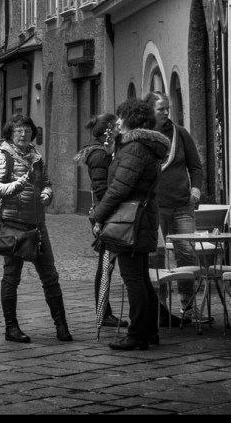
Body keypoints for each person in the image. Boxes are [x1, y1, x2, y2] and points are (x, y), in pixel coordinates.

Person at [0, 113, 73, 344]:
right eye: (18, 131)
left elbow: (46, 182)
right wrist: (19, 184)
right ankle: (11, 328)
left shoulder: (36, 156)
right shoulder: (3, 155)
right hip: (13, 224)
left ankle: (61, 326)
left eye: (27, 130)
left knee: (50, 276)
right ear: (10, 134)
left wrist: (46, 193)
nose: (23, 134)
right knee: (11, 277)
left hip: (37, 224)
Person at [92, 98, 170, 350]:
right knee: (141, 278)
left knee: (133, 279)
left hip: (130, 221)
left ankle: (137, 334)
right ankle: (149, 331)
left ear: (130, 119)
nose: (117, 121)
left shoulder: (134, 148)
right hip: (139, 219)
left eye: (120, 117)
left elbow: (119, 189)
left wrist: (98, 216)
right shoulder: (141, 146)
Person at [144, 91, 204, 325]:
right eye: (161, 109)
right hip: (155, 206)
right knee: (156, 258)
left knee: (187, 254)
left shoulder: (180, 133)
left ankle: (188, 307)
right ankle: (160, 310)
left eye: (168, 108)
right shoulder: (145, 135)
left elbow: (195, 166)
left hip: (181, 205)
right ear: (150, 110)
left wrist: (195, 190)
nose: (166, 112)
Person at [74, 112, 127, 329]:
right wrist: (103, 217)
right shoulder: (99, 155)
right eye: (116, 126)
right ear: (108, 131)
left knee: (107, 264)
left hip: (106, 213)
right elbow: (101, 189)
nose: (120, 128)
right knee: (106, 265)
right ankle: (103, 313)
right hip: (106, 215)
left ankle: (104, 312)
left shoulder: (105, 151)